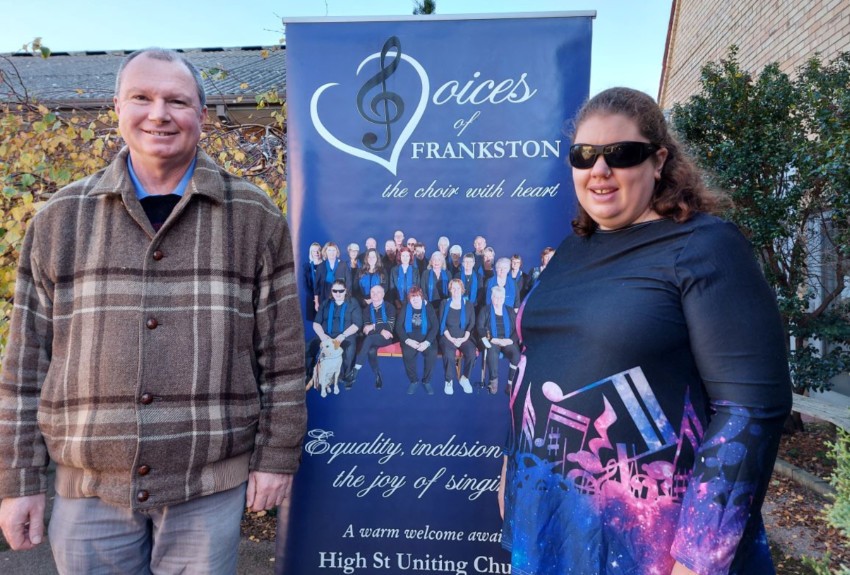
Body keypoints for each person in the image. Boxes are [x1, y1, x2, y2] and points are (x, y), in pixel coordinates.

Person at [0, 48, 307, 573]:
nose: (159, 113)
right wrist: (18, 481)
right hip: (88, 489)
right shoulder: (59, 220)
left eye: (177, 101)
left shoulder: (254, 216)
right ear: (116, 107)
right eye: (142, 97)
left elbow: (283, 355)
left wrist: (277, 458)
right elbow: (26, 363)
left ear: (202, 117)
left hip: (207, 487)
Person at [499, 87, 792, 575]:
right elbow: (531, 364)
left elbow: (751, 408)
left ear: (659, 161)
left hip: (654, 540)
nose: (600, 170)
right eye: (584, 155)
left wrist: (699, 555)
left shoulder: (704, 247)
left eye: (622, 154)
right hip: (551, 514)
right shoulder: (571, 250)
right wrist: (510, 467)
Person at [307, 279, 362, 390]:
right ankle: (309, 376)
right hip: (326, 335)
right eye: (334, 291)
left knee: (350, 350)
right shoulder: (325, 303)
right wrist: (323, 336)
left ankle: (347, 376)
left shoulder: (353, 302)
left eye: (340, 291)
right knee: (308, 347)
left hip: (345, 336)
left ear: (345, 291)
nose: (337, 293)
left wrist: (342, 336)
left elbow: (357, 324)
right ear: (331, 291)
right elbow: (316, 323)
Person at [476, 286, 520, 395]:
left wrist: (510, 340)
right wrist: (491, 339)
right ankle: (493, 382)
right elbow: (480, 327)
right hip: (492, 340)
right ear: (491, 297)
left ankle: (510, 383)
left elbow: (517, 328)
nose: (498, 300)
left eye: (501, 297)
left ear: (504, 298)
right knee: (492, 353)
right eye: (496, 297)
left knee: (516, 354)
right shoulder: (485, 310)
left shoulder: (510, 311)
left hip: (507, 340)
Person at [351, 284, 396, 389]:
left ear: (383, 294)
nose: (375, 294)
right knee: (371, 351)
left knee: (370, 339)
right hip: (372, 339)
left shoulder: (390, 307)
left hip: (386, 339)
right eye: (372, 292)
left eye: (378, 292)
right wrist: (380, 330)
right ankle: (377, 375)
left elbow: (389, 328)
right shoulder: (366, 310)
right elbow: (366, 330)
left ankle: (356, 369)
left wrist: (373, 326)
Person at [396, 286, 438, 395]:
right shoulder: (406, 307)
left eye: (417, 296)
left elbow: (435, 326)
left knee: (432, 354)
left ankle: (426, 380)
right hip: (410, 339)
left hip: (426, 338)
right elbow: (398, 327)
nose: (415, 299)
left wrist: (427, 342)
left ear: (422, 297)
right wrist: (407, 340)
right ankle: (413, 380)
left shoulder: (428, 307)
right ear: (409, 298)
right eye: (412, 297)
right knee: (408, 355)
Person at [438, 279, 477, 395]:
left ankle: (465, 378)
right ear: (450, 290)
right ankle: (449, 380)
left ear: (462, 290)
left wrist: (463, 339)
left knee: (471, 352)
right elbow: (442, 324)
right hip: (448, 336)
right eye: (453, 288)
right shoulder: (444, 303)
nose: (456, 291)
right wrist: (451, 339)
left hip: (464, 337)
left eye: (458, 288)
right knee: (449, 355)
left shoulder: (468, 305)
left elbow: (471, 324)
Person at [314, 242, 351, 309]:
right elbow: (316, 287)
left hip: (341, 299)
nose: (332, 252)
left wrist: (345, 297)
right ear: (325, 252)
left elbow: (349, 283)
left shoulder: (343, 265)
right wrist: (316, 302)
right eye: (329, 250)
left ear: (337, 252)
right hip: (324, 299)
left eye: (334, 250)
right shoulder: (320, 266)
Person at [304, 241, 324, 322]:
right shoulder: (306, 266)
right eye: (314, 251)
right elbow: (305, 285)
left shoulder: (326, 265)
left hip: (324, 297)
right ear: (311, 253)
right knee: (314, 321)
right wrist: (314, 298)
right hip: (311, 297)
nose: (316, 252)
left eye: (318, 250)